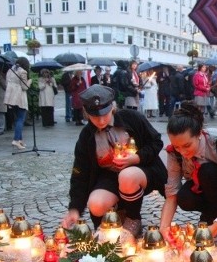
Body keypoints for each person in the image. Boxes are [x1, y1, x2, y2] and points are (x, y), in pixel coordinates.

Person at [62, 85, 168, 237]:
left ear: (112, 107)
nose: (101, 120)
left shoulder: (131, 118)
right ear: (86, 113)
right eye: (95, 116)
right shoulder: (87, 136)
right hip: (110, 176)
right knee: (96, 204)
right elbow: (80, 173)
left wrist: (137, 157)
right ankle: (120, 212)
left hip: (142, 170)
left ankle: (133, 218)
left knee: (127, 176)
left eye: (104, 114)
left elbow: (156, 142)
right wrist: (74, 208)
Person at [160, 102, 217, 242]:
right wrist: (163, 228)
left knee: (207, 171)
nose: (183, 152)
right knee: (184, 198)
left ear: (199, 134)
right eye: (177, 147)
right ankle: (209, 214)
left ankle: (216, 220)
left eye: (187, 145)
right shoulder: (174, 153)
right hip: (200, 184)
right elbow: (172, 194)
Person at [3, 57, 31, 149]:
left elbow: (7, 83)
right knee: (20, 119)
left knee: (17, 118)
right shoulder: (23, 71)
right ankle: (15, 140)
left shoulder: (10, 70)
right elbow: (25, 87)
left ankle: (20, 140)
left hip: (11, 97)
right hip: (19, 98)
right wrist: (30, 81)